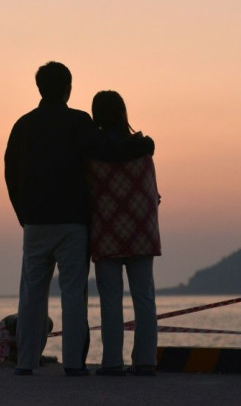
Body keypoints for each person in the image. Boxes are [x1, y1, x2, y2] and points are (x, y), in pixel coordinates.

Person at [4, 63, 154, 377]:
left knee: (32, 293)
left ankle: (25, 361)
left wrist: (22, 213)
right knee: (73, 293)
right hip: (73, 222)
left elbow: (10, 172)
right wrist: (144, 144)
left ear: (39, 88)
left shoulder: (22, 125)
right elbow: (107, 150)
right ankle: (74, 363)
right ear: (68, 88)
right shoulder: (77, 121)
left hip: (34, 224)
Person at [86, 90, 161, 377]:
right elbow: (152, 193)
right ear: (122, 112)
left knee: (110, 300)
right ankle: (145, 362)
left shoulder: (93, 154)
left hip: (106, 233)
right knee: (144, 298)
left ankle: (111, 363)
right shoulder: (143, 149)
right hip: (142, 232)